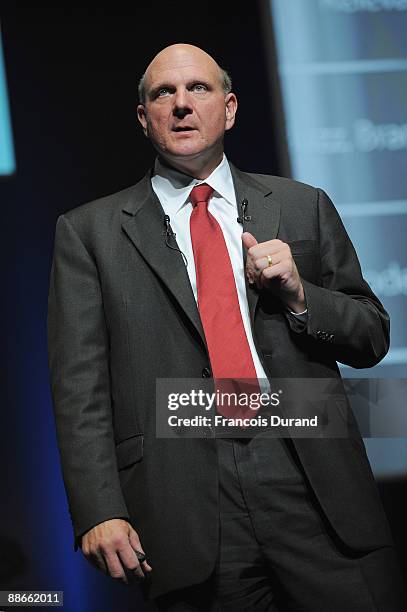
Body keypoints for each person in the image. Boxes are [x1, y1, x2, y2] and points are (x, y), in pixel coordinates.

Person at [47, 43, 406, 610]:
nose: (181, 105)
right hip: (184, 492)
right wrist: (99, 508)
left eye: (199, 89)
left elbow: (371, 335)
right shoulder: (90, 233)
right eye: (163, 93)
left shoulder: (300, 205)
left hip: (309, 474)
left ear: (231, 108)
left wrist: (299, 295)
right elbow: (79, 388)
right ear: (144, 119)